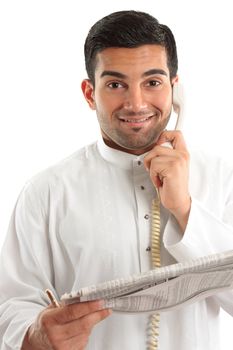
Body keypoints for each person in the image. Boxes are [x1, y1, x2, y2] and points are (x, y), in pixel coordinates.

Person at [0, 10, 233, 350]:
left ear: (174, 88)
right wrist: (34, 335)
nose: (136, 103)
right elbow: (11, 303)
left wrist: (184, 210)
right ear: (90, 93)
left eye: (152, 82)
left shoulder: (222, 177)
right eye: (115, 84)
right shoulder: (46, 192)